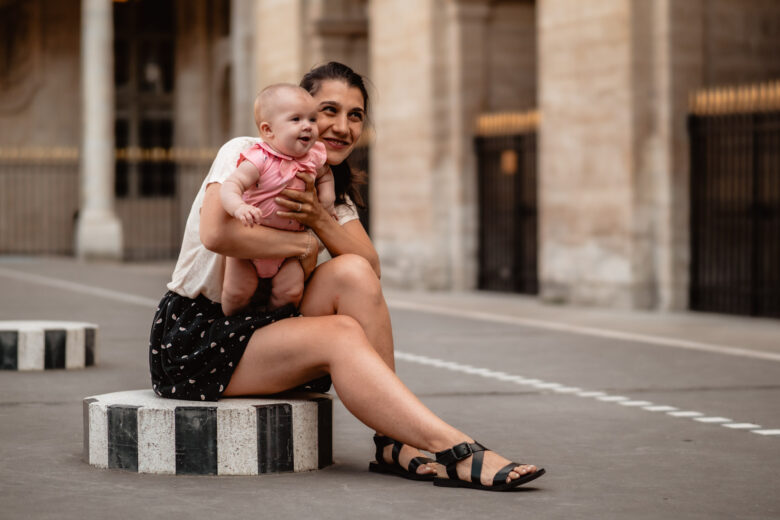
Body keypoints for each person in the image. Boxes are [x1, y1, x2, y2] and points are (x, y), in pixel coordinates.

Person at [149, 61, 545, 491]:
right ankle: (454, 447)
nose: (341, 127)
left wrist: (321, 220)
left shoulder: (326, 187)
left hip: (270, 327)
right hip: (201, 336)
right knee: (340, 333)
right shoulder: (248, 152)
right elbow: (217, 232)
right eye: (327, 111)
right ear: (292, 115)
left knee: (353, 272)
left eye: (355, 115)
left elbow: (369, 269)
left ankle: (396, 443)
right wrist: (301, 246)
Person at [220, 83, 336, 315]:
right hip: (251, 242)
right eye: (296, 119)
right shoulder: (260, 158)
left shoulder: (313, 156)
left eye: (312, 120)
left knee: (290, 291)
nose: (308, 126)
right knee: (238, 291)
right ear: (268, 130)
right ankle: (233, 323)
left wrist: (327, 199)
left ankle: (271, 322)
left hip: (287, 248)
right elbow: (231, 185)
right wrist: (239, 207)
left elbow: (325, 175)